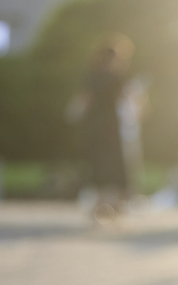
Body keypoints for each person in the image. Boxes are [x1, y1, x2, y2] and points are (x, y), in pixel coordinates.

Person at [80, 39, 132, 224]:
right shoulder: (116, 76)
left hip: (95, 124)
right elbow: (124, 98)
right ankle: (115, 206)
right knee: (115, 162)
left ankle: (99, 206)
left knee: (99, 162)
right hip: (110, 124)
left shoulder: (93, 75)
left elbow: (86, 100)